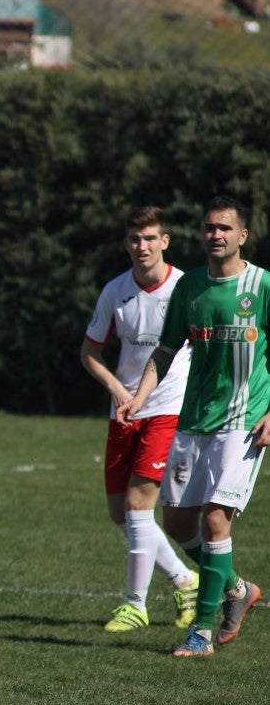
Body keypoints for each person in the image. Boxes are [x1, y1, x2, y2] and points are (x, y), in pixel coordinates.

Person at [117, 195, 266, 657]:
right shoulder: (190, 287)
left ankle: (200, 632)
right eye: (209, 227)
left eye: (224, 228)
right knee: (178, 522)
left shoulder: (261, 286)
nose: (215, 235)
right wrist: (137, 400)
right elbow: (164, 352)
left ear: (242, 235)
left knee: (215, 519)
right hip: (193, 418)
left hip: (242, 421)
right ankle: (237, 589)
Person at [80, 206, 199, 632]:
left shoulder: (187, 287)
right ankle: (186, 580)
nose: (142, 246)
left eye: (150, 238)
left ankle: (135, 604)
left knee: (136, 506)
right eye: (135, 239)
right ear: (126, 243)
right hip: (125, 411)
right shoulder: (115, 290)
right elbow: (89, 352)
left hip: (169, 409)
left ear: (165, 241)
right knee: (120, 513)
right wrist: (117, 390)